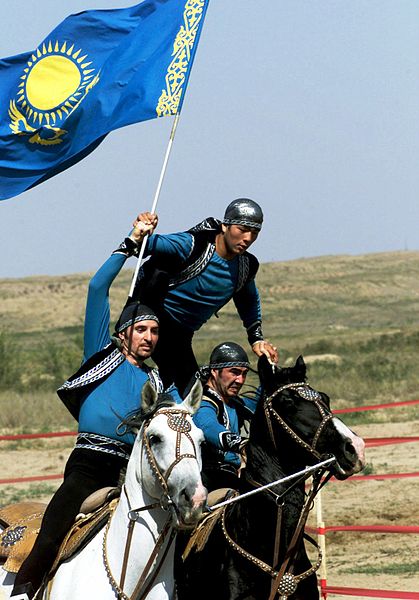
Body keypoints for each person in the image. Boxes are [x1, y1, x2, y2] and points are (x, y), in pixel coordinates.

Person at [11, 217, 173, 600]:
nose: (149, 337)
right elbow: (97, 288)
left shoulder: (158, 383)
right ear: (123, 333)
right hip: (88, 467)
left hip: (132, 469)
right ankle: (23, 593)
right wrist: (131, 242)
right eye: (141, 330)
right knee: (51, 535)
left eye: (154, 332)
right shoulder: (102, 356)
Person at [131, 198, 278, 396]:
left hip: (181, 335)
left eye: (255, 232)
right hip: (148, 320)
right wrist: (142, 230)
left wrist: (256, 339)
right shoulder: (193, 244)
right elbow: (142, 246)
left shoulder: (245, 266)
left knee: (194, 395)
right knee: (183, 390)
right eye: (242, 229)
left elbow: (248, 300)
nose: (248, 238)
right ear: (225, 226)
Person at [193, 341, 277, 491]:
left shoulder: (235, 403)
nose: (241, 380)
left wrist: (269, 365)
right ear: (215, 371)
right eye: (234, 372)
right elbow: (208, 426)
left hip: (232, 478)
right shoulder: (203, 402)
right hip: (207, 480)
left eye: (244, 373)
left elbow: (260, 402)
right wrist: (241, 444)